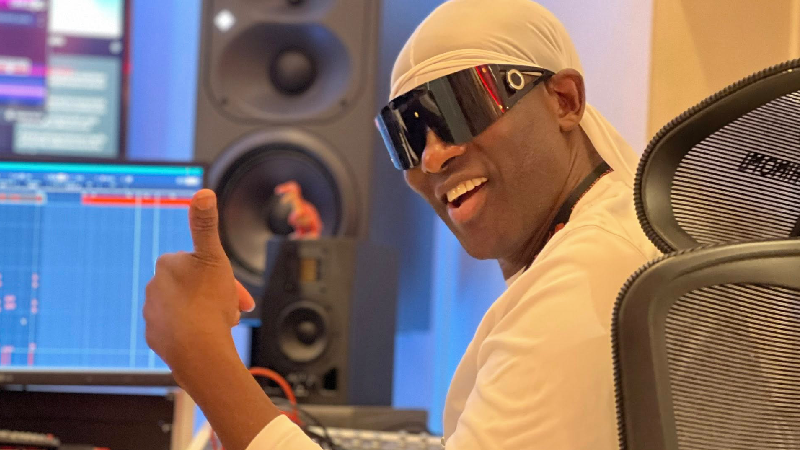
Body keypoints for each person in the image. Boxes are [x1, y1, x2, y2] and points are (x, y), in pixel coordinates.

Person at [143, 0, 661, 449]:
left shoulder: (590, 277)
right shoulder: (592, 246)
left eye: (462, 106)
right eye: (407, 136)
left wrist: (202, 356)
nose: (432, 158)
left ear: (564, 101)